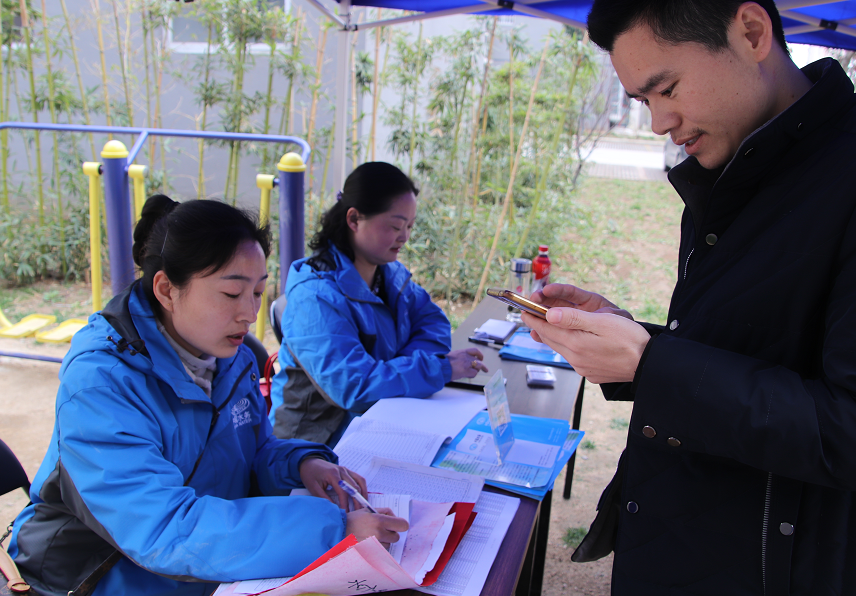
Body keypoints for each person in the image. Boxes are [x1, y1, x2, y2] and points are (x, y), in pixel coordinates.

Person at [523, 1, 856, 593]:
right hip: (675, 544)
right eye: (644, 101)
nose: (658, 122)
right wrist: (632, 340)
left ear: (751, 32)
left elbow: (844, 430)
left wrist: (653, 366)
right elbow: (747, 344)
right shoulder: (737, 164)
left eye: (667, 88)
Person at [7, 196, 407, 596]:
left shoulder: (228, 356)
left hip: (206, 556)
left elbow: (251, 451)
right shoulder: (102, 382)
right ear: (166, 289)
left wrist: (301, 464)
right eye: (232, 294)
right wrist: (332, 530)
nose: (249, 313)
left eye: (258, 293)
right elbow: (161, 530)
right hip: (100, 572)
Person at [270, 162, 488, 445]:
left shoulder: (389, 274)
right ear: (353, 220)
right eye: (395, 226)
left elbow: (433, 323)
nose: (405, 237)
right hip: (314, 447)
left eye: (409, 226)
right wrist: (437, 369)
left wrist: (399, 370)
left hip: (383, 421)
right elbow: (355, 388)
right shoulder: (316, 297)